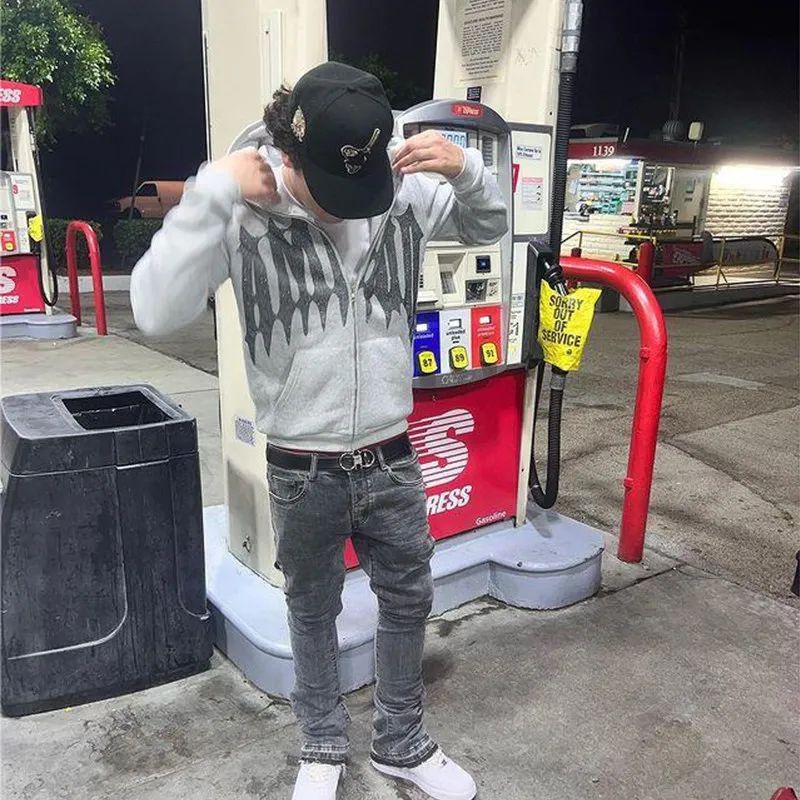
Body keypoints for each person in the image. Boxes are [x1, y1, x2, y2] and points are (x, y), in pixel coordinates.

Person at [130, 61, 507, 800]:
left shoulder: (395, 187)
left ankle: (401, 741)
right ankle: (322, 743)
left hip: (392, 453)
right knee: (310, 610)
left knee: (409, 599)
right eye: (330, 189)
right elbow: (154, 308)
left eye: (360, 186)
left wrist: (467, 171)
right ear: (290, 155)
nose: (348, 208)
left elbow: (489, 227)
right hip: (302, 466)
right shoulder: (244, 208)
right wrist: (211, 191)